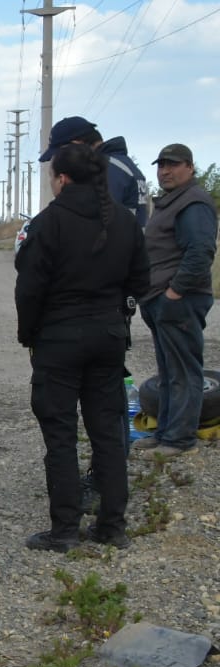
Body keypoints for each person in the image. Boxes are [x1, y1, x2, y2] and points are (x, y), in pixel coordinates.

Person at [15, 144, 150, 552]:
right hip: (108, 337)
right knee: (107, 433)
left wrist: (29, 335)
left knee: (60, 436)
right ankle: (112, 526)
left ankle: (65, 530)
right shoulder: (124, 222)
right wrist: (117, 315)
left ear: (62, 179)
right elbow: (140, 282)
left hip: (58, 339)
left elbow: (29, 289)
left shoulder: (49, 223)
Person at [133, 144, 218, 457]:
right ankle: (164, 432)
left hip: (179, 300)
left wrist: (173, 293)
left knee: (183, 371)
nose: (165, 171)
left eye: (173, 165)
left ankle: (179, 440)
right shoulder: (172, 202)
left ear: (190, 167)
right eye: (161, 165)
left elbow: (200, 253)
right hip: (160, 298)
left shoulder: (193, 202)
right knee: (168, 371)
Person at [39, 116, 149, 227]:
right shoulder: (123, 165)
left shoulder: (105, 169)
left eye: (60, 154)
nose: (59, 160)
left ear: (76, 145)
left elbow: (94, 225)